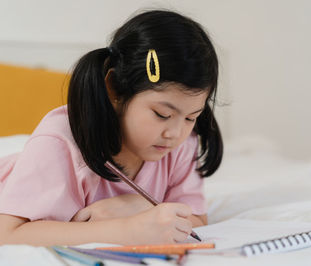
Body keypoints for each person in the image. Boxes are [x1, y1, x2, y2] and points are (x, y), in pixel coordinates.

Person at [0, 10, 223, 246]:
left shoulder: (182, 145)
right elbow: (8, 234)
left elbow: (197, 219)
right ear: (115, 88)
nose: (175, 134)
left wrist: (137, 206)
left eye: (191, 117)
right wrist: (126, 228)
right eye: (162, 114)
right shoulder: (59, 143)